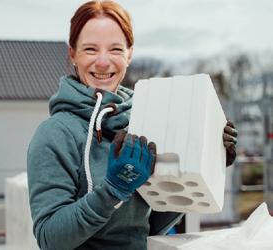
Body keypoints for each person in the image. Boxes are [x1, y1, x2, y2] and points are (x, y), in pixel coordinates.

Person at [26, 1, 238, 249]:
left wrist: (208, 162)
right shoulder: (56, 134)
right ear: (73, 54)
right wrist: (113, 191)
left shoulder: (145, 119)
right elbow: (50, 239)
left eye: (115, 49)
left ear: (129, 54)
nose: (103, 62)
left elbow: (150, 225)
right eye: (91, 49)